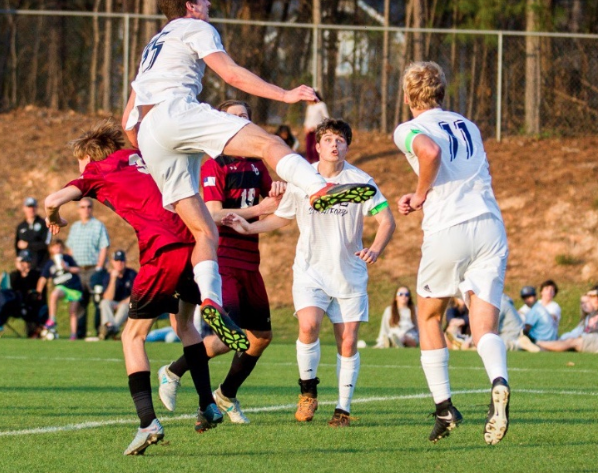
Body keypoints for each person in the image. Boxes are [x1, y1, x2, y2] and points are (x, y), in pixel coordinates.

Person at [121, 0, 375, 324]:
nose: (209, 3)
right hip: (176, 111)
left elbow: (126, 123)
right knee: (270, 142)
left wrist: (149, 151)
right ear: (190, 6)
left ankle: (210, 299)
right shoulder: (196, 27)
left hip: (149, 133)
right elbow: (233, 76)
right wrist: (286, 95)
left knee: (204, 231)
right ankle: (319, 189)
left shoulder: (154, 45)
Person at [43, 120, 250, 456]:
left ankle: (147, 422)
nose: (79, 169)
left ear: (88, 156)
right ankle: (206, 405)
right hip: (195, 239)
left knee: (132, 336)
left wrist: (56, 215)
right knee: (185, 326)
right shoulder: (140, 155)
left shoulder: (95, 171)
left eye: (79, 162)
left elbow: (53, 198)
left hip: (162, 249)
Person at [224, 118, 395, 427]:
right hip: (310, 271)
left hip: (349, 275)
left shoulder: (361, 181)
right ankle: (307, 393)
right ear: (317, 146)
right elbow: (281, 218)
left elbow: (387, 221)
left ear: (347, 146)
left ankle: (342, 408)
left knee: (348, 342)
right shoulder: (302, 179)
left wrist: (376, 249)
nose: (334, 144)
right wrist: (249, 227)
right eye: (328, 139)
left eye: (340, 140)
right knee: (308, 327)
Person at [394, 61, 510, 445]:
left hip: (449, 228)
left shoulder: (409, 128)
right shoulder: (468, 124)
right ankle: (498, 382)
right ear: (442, 92)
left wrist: (421, 194)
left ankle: (445, 408)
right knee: (484, 328)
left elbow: (428, 153)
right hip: (490, 225)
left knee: (428, 315)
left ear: (409, 96)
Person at [157, 99, 283, 423]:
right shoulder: (216, 163)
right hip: (222, 256)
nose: (240, 122)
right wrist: (258, 209)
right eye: (234, 118)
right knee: (231, 335)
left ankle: (225, 394)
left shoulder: (257, 165)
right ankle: (172, 371)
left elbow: (275, 202)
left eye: (245, 117)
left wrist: (282, 188)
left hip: (250, 260)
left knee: (261, 338)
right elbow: (212, 214)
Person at [66, 196, 110, 338]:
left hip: (93, 269)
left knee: (97, 301)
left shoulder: (98, 225)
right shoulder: (75, 227)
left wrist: (99, 267)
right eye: (83, 207)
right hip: (78, 270)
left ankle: (99, 332)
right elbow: (70, 249)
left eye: (88, 207)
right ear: (79, 210)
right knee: (79, 302)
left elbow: (104, 247)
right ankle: (79, 333)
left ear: (92, 209)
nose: (86, 210)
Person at [37, 239, 83, 341]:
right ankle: (52, 319)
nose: (58, 249)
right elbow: (43, 278)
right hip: (62, 287)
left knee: (73, 312)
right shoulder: (49, 263)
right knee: (54, 294)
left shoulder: (67, 258)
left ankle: (73, 335)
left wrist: (67, 268)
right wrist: (38, 292)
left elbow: (78, 269)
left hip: (74, 288)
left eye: (60, 247)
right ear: (51, 249)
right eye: (55, 247)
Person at [536, 287, 598, 353]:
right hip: (590, 338)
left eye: (592, 297)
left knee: (573, 342)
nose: (590, 299)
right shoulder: (590, 316)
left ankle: (537, 343)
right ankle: (538, 347)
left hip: (593, 339)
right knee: (570, 341)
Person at [98, 250, 137, 340]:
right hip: (114, 302)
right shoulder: (108, 276)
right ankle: (110, 326)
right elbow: (108, 297)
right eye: (117, 261)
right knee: (104, 303)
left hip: (127, 303)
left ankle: (109, 329)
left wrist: (123, 302)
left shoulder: (131, 274)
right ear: (113, 262)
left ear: (125, 262)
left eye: (121, 261)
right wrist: (113, 279)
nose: (119, 263)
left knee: (124, 306)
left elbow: (136, 294)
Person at [9, 249, 48, 337]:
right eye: (24, 261)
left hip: (32, 304)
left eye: (28, 261)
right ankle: (34, 333)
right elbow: (12, 288)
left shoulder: (35, 275)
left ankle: (37, 332)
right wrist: (21, 271)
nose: (26, 264)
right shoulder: (14, 275)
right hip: (17, 305)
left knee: (36, 307)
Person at [14, 197, 51, 270]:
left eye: (33, 206)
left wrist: (28, 245)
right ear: (24, 208)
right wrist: (18, 261)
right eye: (29, 207)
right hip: (26, 267)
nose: (31, 209)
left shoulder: (44, 224)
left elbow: (47, 244)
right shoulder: (21, 227)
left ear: (36, 207)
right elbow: (17, 246)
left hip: (41, 265)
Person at [303, 91, 329, 163]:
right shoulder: (310, 106)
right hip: (309, 130)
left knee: (315, 148)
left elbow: (326, 118)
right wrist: (306, 126)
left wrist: (316, 127)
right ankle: (310, 164)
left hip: (318, 130)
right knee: (308, 148)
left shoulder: (321, 105)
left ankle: (318, 164)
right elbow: (307, 118)